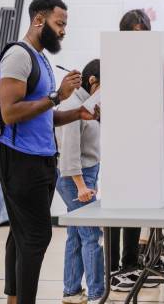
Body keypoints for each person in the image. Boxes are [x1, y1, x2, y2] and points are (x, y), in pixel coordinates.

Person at [0, 0, 98, 304]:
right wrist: (57, 96)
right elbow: (10, 112)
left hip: (40, 158)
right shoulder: (18, 56)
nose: (64, 30)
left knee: (20, 234)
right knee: (37, 236)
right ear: (39, 20)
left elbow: (43, 117)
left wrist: (76, 112)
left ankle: (14, 300)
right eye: (59, 23)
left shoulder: (41, 59)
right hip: (19, 159)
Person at [109, 9, 156, 292]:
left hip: (141, 144)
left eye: (144, 35)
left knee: (136, 207)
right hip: (117, 146)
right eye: (134, 34)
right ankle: (113, 269)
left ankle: (130, 264)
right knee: (116, 209)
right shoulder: (112, 63)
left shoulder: (149, 64)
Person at [55, 59, 104, 304]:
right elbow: (70, 153)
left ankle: (72, 291)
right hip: (75, 177)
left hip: (86, 173)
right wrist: (81, 187)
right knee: (91, 234)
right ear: (92, 80)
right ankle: (98, 294)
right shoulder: (72, 106)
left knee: (76, 234)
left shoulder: (91, 105)